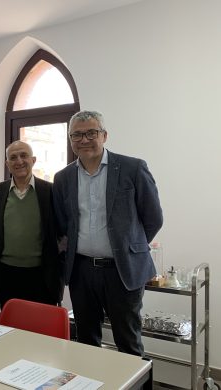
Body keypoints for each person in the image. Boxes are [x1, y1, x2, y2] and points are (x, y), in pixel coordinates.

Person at [53, 110, 163, 356]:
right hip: (81, 271)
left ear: (104, 135)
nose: (84, 140)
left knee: (129, 343)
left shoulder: (132, 168)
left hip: (121, 271)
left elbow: (153, 217)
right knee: (87, 341)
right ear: (70, 140)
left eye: (91, 133)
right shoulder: (63, 178)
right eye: (77, 135)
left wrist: (130, 247)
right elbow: (63, 224)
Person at [0, 141, 63, 310]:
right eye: (13, 157)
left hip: (42, 274)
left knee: (41, 330)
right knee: (11, 328)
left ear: (33, 160)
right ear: (7, 164)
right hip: (6, 274)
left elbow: (62, 231)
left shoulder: (51, 192)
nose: (19, 161)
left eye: (24, 155)